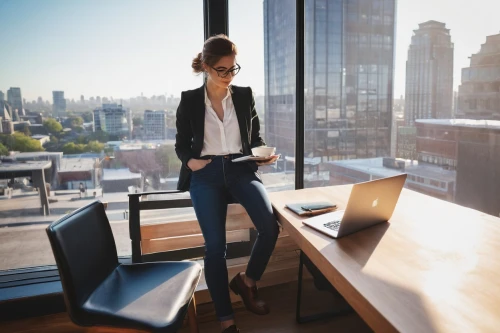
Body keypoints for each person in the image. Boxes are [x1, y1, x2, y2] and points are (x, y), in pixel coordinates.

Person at [175, 34, 280, 333]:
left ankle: (247, 283)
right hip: (205, 175)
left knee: (269, 227)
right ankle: (226, 320)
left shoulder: (244, 95)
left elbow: (254, 136)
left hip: (240, 169)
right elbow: (181, 144)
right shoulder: (190, 100)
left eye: (233, 68)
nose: (229, 75)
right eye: (223, 70)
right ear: (207, 67)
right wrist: (190, 162)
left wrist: (262, 154)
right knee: (215, 248)